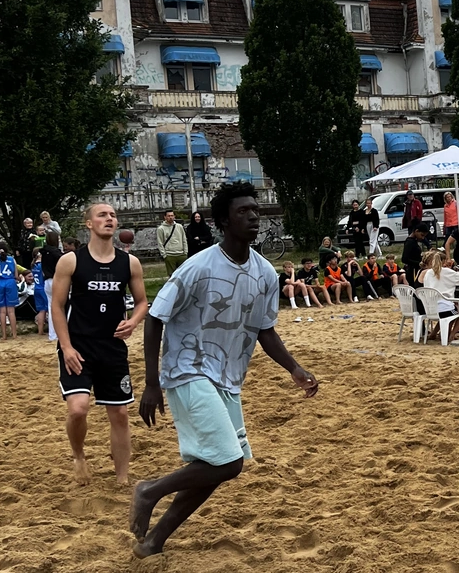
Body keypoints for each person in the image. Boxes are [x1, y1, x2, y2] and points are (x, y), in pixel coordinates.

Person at [130, 181, 319, 558]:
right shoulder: (197, 267)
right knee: (229, 462)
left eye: (256, 210)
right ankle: (148, 490)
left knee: (211, 466)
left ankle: (154, 541)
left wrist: (294, 368)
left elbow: (265, 330)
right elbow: (154, 318)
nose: (252, 216)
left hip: (228, 378)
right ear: (222, 222)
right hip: (187, 369)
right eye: (242, 211)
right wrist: (152, 383)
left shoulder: (266, 273)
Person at [51, 203, 149, 486]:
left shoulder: (129, 263)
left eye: (113, 215)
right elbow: (57, 307)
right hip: (78, 346)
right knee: (78, 408)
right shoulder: (71, 261)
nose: (109, 219)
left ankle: (121, 478)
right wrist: (66, 347)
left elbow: (142, 302)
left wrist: (133, 321)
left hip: (112, 348)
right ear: (89, 223)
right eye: (102, 215)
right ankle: (78, 455)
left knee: (119, 413)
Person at [417, 249, 459, 342]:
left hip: (430, 309)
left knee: (451, 309)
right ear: (443, 261)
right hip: (444, 309)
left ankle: (440, 333)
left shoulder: (428, 273)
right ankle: (451, 335)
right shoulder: (446, 272)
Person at [156, 210, 188, 276]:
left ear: (174, 216)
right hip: (169, 255)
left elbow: (184, 239)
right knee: (172, 275)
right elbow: (160, 243)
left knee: (184, 274)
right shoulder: (161, 229)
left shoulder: (179, 226)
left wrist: (185, 252)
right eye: (168, 216)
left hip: (181, 254)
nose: (170, 217)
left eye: (172, 215)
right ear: (165, 217)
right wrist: (164, 255)